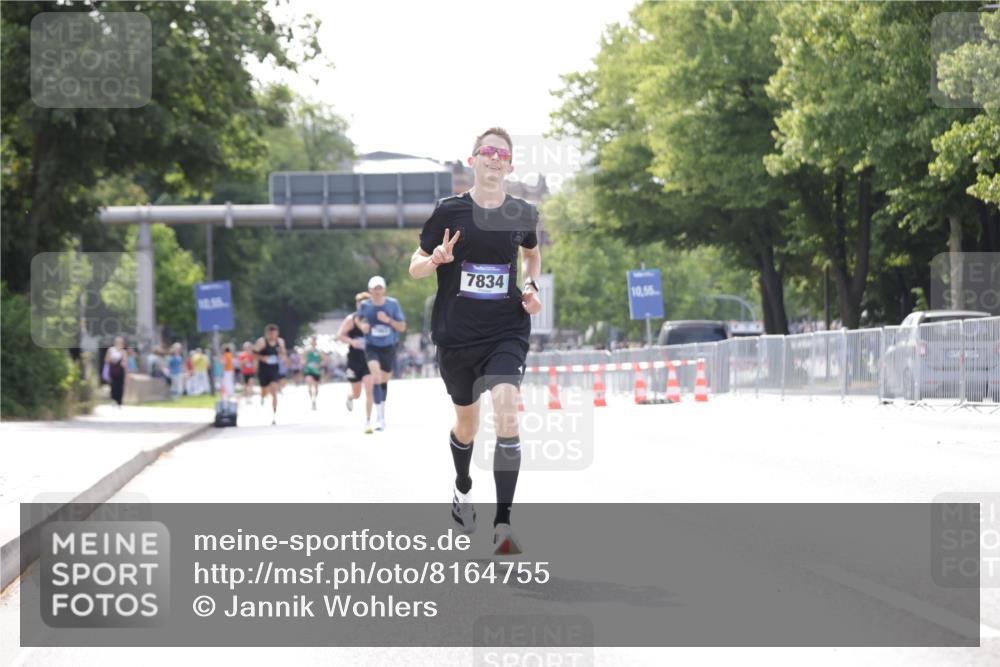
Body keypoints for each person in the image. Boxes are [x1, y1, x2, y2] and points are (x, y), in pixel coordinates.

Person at [408, 127, 542, 555]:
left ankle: (503, 526)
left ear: (510, 164)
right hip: (457, 335)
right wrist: (434, 260)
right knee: (467, 424)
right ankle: (463, 488)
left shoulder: (522, 212)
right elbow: (414, 267)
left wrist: (533, 286)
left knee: (507, 410)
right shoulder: (449, 211)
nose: (493, 158)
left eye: (501, 153)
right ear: (473, 160)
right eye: (486, 151)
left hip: (507, 327)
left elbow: (531, 254)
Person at [357, 276, 406, 431]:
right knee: (376, 377)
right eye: (374, 288)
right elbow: (358, 319)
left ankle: (382, 413)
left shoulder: (393, 304)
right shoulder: (365, 305)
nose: (377, 291)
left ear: (384, 289)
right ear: (369, 290)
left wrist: (388, 320)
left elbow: (402, 327)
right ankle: (379, 418)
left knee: (384, 380)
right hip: (372, 346)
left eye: (380, 288)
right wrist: (362, 325)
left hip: (389, 346)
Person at [337, 292, 376, 433]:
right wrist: (351, 341)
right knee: (357, 393)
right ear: (357, 305)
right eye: (361, 304)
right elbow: (339, 335)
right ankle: (350, 397)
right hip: (354, 360)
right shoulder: (351, 319)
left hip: (369, 358)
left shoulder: (373, 318)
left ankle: (368, 421)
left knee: (369, 389)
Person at [254, 324, 288, 425]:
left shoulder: (280, 342)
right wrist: (262, 358)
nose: (272, 335)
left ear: (277, 333)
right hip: (263, 370)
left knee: (274, 390)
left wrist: (282, 357)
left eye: (274, 333)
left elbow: (284, 354)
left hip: (274, 370)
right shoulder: (261, 342)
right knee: (264, 390)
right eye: (270, 333)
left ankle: (274, 415)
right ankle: (263, 396)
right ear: (267, 333)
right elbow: (254, 354)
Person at [303, 336, 327, 410]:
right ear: (310, 342)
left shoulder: (319, 351)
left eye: (315, 341)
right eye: (312, 341)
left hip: (316, 372)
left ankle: (314, 399)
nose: (314, 342)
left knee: (316, 388)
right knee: (309, 384)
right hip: (308, 371)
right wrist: (305, 362)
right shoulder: (307, 351)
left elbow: (325, 360)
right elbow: (302, 360)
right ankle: (311, 400)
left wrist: (319, 364)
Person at [105, 336, 129, 408]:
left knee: (120, 386)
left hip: (120, 371)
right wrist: (112, 359)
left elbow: (126, 364)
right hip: (113, 370)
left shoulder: (124, 352)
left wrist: (126, 375)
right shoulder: (111, 350)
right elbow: (107, 360)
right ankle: (113, 400)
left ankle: (119, 401)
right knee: (113, 386)